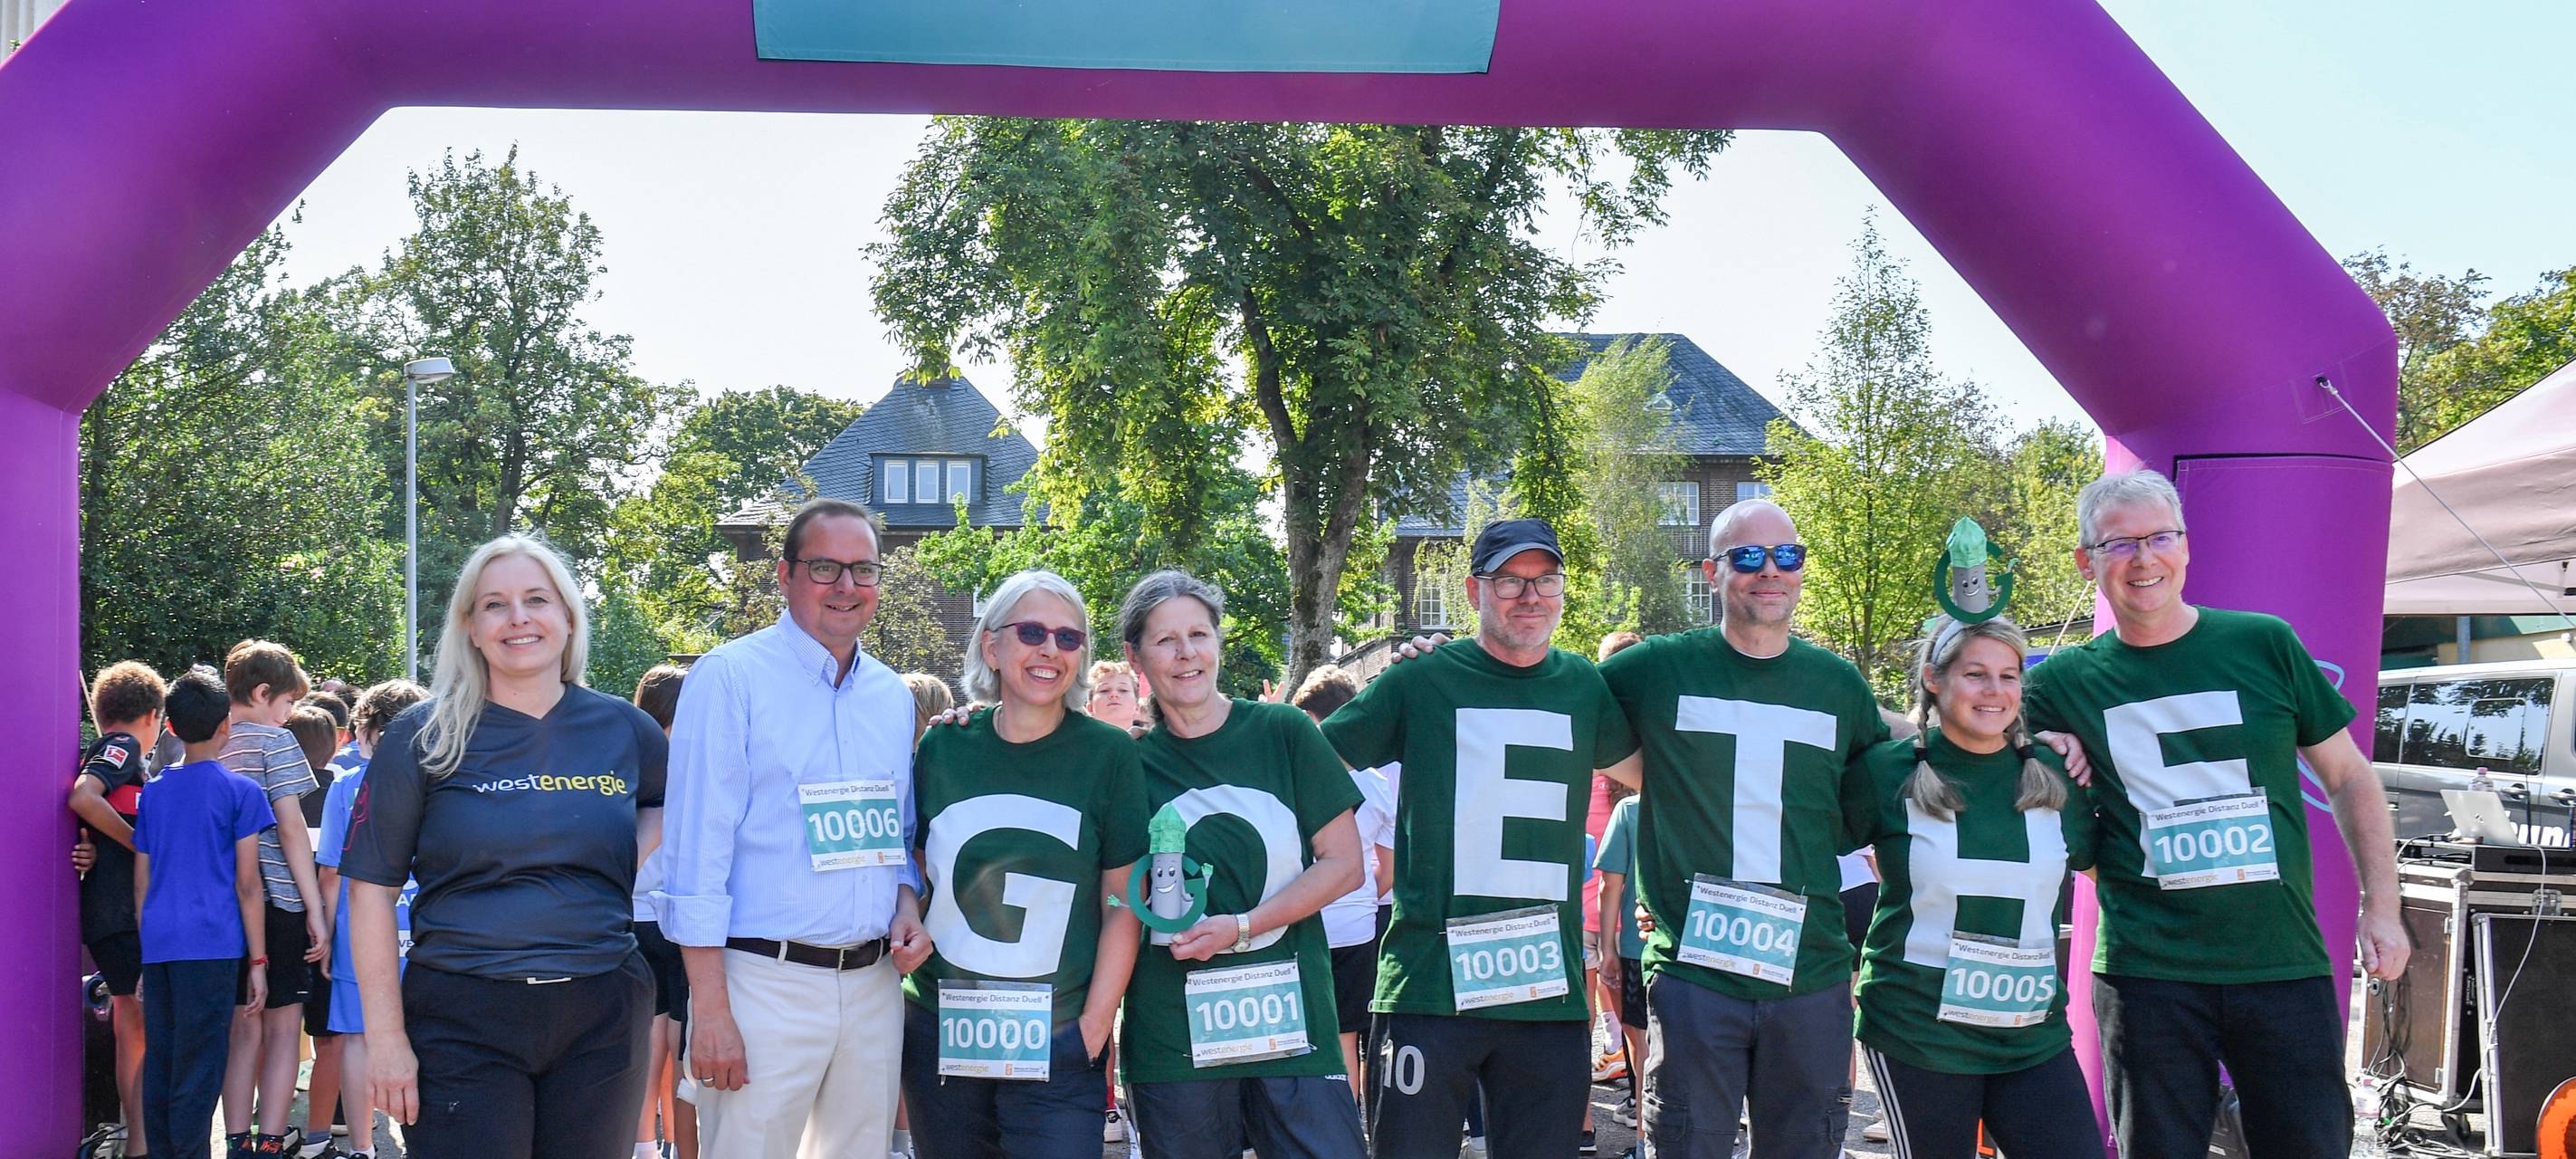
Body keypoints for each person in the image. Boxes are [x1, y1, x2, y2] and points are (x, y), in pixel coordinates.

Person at [2020, 469, 2406, 1157]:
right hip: (2147, 972)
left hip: (2280, 962)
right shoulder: (2059, 685)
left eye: (2159, 537)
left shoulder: (2263, 643)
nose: (2143, 559)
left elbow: (2349, 777)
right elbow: (1997, 763)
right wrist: (2044, 749)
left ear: (2187, 547)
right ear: (2086, 561)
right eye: (2119, 544)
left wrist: (2383, 905)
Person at [1316, 517, 1642, 1159]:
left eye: (1545, 580)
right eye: (1510, 581)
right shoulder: (1421, 679)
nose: (1530, 596)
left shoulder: (1582, 685)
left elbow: (1656, 778)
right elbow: (1314, 765)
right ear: (1473, 592)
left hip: (1544, 994)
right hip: (1428, 985)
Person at [341, 534, 669, 1159]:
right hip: (462, 1014)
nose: (518, 618)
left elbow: (667, 806)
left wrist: (618, 860)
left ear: (569, 617)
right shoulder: (422, 736)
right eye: (495, 604)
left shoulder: (626, 728)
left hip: (602, 1010)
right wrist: (385, 1040)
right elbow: (368, 891)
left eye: (537, 599)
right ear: (470, 625)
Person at [1581, 500, 1890, 1159]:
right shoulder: (1658, 667)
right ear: (1712, 572)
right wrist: (1438, 661)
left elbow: (1888, 777)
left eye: (1787, 556)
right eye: (1747, 557)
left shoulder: (1837, 684)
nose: (1769, 570)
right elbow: (1548, 694)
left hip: (1810, 975)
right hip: (1697, 977)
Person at [659, 498, 932, 1159]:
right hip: (761, 985)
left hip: (872, 987)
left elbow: (892, 840)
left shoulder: (892, 697)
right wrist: (712, 1011)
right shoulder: (729, 679)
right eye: (825, 568)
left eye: (862, 570)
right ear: (783, 576)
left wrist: (905, 905)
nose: (846, 587)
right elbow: (695, 857)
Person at [1114, 570, 1369, 1159]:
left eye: (1198, 635)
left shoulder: (1283, 733)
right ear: (1135, 656)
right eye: (1166, 641)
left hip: (1292, 1023)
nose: (1187, 655)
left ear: (1218, 643)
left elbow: (1344, 865)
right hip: (1174, 1037)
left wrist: (1243, 927)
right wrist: (967, 721)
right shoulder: (1126, 765)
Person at [902, 569, 1145, 1159]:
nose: (1050, 650)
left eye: (1069, 638)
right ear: (992, 643)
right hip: (943, 1029)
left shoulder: (1109, 753)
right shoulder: (943, 745)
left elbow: (1122, 903)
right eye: (1032, 631)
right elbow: (913, 867)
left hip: (1059, 1036)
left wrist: (1094, 1025)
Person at [1850, 615, 2101, 1157]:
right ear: (1935, 680)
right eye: (1976, 674)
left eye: (2009, 676)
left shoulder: (2056, 772)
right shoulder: (1884, 772)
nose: (1995, 691)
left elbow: (2103, 868)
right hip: (1920, 1034)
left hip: (2031, 1031)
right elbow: (1797, 844)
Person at [134, 666, 273, 1159]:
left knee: (164, 1061)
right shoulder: (242, 793)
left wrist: (146, 948)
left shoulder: (153, 792)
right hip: (213, 944)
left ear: (168, 726)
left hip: (161, 943)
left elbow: (141, 881)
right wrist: (258, 962)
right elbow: (248, 885)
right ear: (226, 726)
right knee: (200, 1066)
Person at [215, 639, 326, 1159]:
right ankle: (271, 1143)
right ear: (263, 693)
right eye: (286, 705)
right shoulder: (273, 743)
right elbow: (291, 829)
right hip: (279, 900)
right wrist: (316, 909)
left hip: (228, 903)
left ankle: (236, 1141)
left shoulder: (211, 741)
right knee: (283, 1028)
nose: (288, 718)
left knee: (243, 1027)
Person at [312, 679, 428, 1159]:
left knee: (358, 1038)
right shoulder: (439, 778)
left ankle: (363, 1147)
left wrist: (324, 929)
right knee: (426, 1036)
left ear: (366, 731)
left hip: (358, 928)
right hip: (423, 927)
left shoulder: (345, 786)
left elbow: (331, 874)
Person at [1288, 666, 1398, 1106]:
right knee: (1347, 1036)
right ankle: (1347, 1131)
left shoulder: (1293, 778)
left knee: (1300, 1034)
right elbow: (1388, 869)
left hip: (1298, 922)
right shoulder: (1377, 785)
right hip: (1357, 925)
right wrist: (1355, 896)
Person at [72, 660, 167, 1159]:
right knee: (138, 1023)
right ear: (152, 716)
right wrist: (139, 844)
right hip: (121, 914)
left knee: (132, 1022)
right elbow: (84, 798)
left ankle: (136, 1138)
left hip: (108, 914)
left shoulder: (112, 751)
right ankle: (140, 1142)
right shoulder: (124, 747)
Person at [626, 664, 694, 1159]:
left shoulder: (628, 759)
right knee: (675, 1038)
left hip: (641, 915)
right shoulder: (688, 761)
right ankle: (667, 1142)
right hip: (671, 917)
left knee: (655, 1037)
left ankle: (647, 1143)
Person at [281, 705, 348, 1157]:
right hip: (330, 926)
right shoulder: (343, 795)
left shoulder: (276, 793)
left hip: (280, 923)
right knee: (331, 1037)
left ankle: (273, 1126)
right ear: (339, 740)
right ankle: (331, 1123)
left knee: (282, 1032)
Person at [893, 673, 953, 1159]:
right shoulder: (922, 762)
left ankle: (899, 1142)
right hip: (911, 929)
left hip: (919, 933)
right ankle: (900, 1142)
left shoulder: (937, 760)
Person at [1589, 781, 1644, 1138]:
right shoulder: (1708, 803)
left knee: (1641, 1044)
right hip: (1687, 939)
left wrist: (1609, 949)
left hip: (1634, 944)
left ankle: (1644, 1138)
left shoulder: (1630, 809)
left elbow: (1610, 884)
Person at [1084, 659, 1148, 733]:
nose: (1114, 695)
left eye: (1123, 690)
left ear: (1137, 707)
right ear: (1090, 708)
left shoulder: (1153, 742)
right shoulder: (1074, 742)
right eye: (1104, 690)